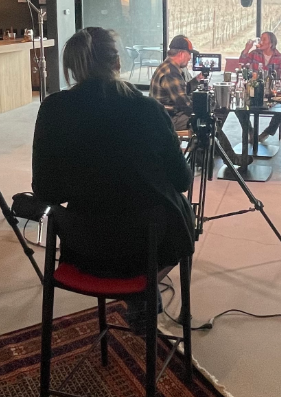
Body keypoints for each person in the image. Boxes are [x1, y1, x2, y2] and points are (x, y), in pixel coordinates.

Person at [33, 27, 194, 325]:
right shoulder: (148, 110)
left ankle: (139, 296)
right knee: (181, 216)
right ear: (117, 63)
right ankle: (142, 293)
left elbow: (46, 190)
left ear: (72, 68)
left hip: (84, 247)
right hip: (147, 244)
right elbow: (183, 181)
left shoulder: (53, 110)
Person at [150, 35, 245, 166]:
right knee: (209, 121)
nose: (190, 58)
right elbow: (183, 103)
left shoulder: (168, 67)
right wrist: (204, 112)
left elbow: (181, 91)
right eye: (189, 54)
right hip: (169, 118)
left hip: (166, 114)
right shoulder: (171, 72)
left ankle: (209, 154)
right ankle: (231, 159)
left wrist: (197, 80)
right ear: (182, 53)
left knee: (209, 115)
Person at [236, 31, 281, 144]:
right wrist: (247, 49)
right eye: (260, 39)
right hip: (254, 90)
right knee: (238, 109)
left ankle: (267, 132)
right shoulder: (254, 53)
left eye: (264, 39)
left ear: (271, 43)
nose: (261, 41)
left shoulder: (280, 58)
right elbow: (241, 63)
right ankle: (250, 131)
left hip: (272, 92)